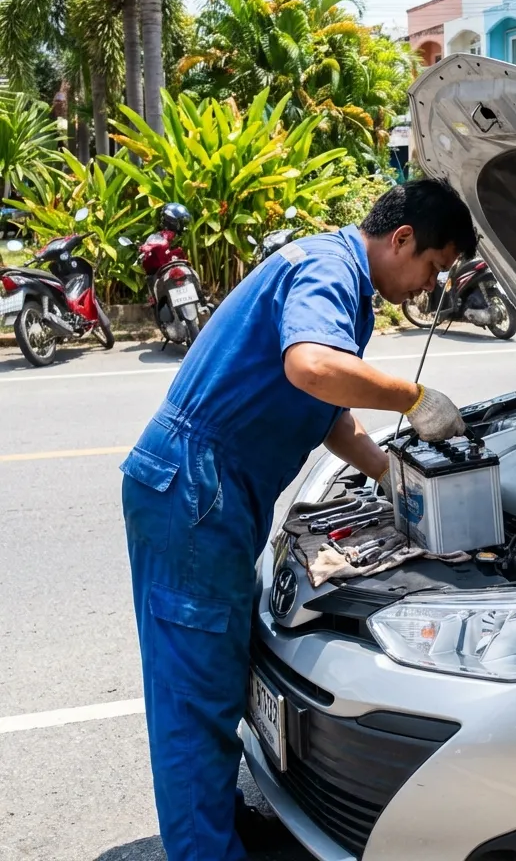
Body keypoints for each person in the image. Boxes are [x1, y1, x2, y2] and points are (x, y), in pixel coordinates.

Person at [120, 178, 477, 861]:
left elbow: (327, 415)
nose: (427, 286)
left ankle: (214, 822)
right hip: (197, 486)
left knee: (217, 671)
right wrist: (414, 397)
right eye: (431, 268)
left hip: (215, 489)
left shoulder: (342, 281)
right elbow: (312, 367)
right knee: (192, 690)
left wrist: (391, 480)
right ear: (402, 239)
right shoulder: (328, 268)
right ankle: (204, 852)